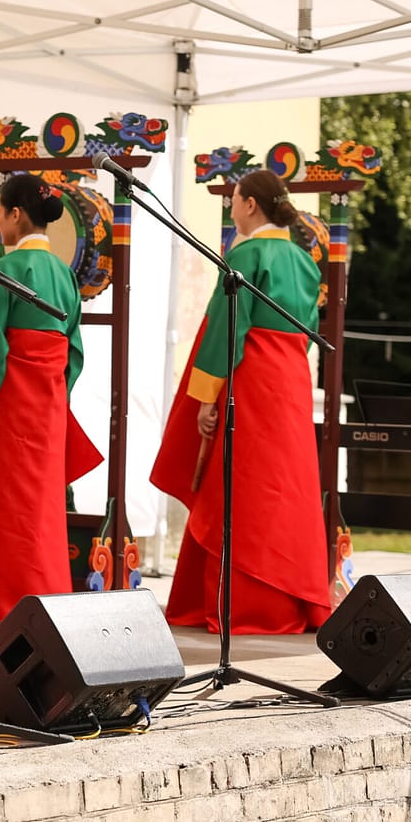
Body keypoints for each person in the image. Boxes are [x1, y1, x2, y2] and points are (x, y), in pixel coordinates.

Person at [150, 169, 331, 635]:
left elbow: (226, 328)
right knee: (286, 489)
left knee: (246, 489)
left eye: (233, 199)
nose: (231, 208)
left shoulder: (245, 254)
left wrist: (206, 398)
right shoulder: (305, 260)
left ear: (251, 204)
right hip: (291, 383)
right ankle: (291, 598)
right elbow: (309, 330)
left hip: (252, 382)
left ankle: (245, 605)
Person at [0, 174, 102, 648]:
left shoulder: (6, 268)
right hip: (47, 410)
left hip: (7, 407)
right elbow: (74, 352)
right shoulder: (66, 276)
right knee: (39, 512)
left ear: (14, 214)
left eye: (0, 214)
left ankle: (0, 610)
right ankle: (44, 607)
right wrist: (54, 395)